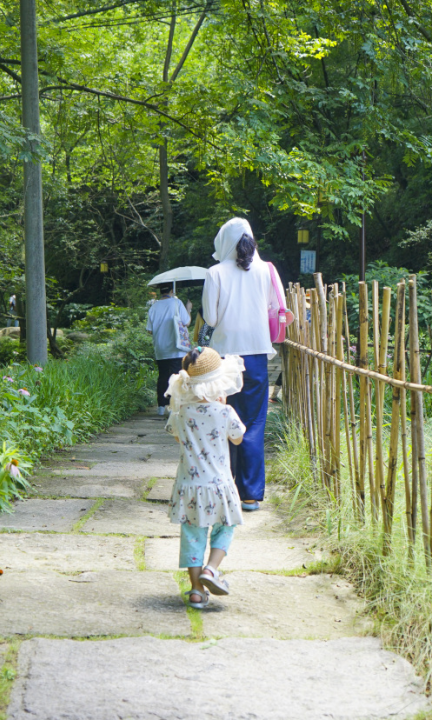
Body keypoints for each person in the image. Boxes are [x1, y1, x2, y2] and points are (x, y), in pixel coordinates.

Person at [202, 218, 283, 511]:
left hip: (222, 359)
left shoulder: (214, 273)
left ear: (224, 242)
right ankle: (250, 495)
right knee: (254, 423)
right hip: (257, 357)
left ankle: (224, 489)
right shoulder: (267, 270)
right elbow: (277, 309)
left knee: (222, 422)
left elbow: (210, 319)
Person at [164, 347, 246, 609]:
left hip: (189, 486)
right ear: (218, 384)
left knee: (192, 535)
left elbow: (176, 436)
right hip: (219, 484)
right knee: (226, 526)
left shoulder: (181, 413)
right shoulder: (225, 413)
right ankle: (211, 569)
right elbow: (238, 438)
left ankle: (197, 591)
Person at [146, 283, 192, 416]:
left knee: (163, 376)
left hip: (161, 348)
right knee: (178, 376)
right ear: (172, 290)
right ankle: (177, 406)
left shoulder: (154, 307)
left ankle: (161, 406)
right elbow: (186, 322)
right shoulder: (177, 303)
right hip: (177, 347)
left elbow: (149, 330)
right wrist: (188, 309)